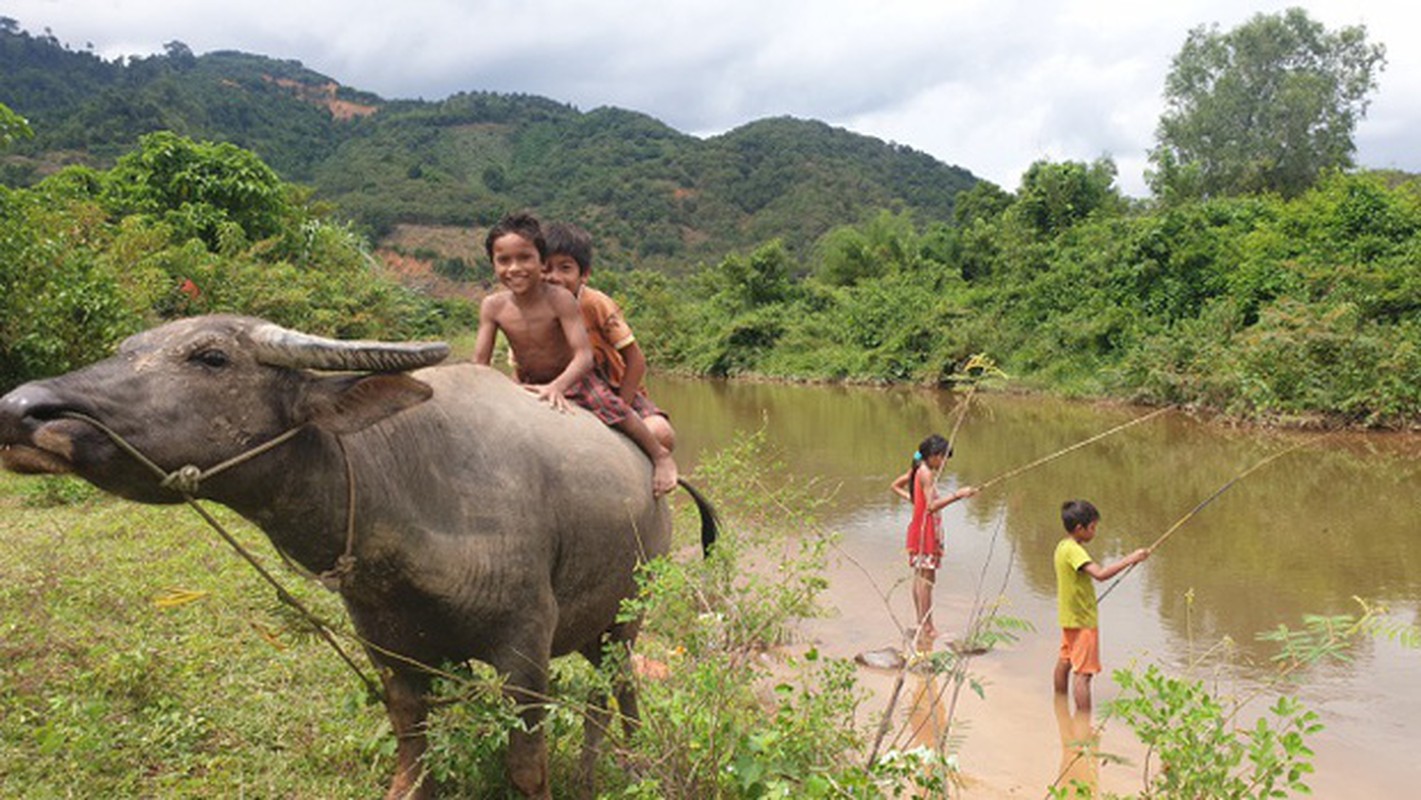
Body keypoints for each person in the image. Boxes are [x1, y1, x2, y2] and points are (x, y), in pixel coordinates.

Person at [472, 211, 678, 495]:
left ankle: (659, 455)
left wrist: (558, 386)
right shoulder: (492, 307)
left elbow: (584, 356)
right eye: (504, 260)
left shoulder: (563, 300)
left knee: (611, 408)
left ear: (538, 261)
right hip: (531, 382)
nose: (514, 268)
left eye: (524, 258)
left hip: (577, 379)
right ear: (492, 263)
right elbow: (480, 364)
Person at [541, 221, 675, 452]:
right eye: (546, 268)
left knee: (661, 433)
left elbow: (636, 361)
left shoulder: (595, 303)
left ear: (584, 274)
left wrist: (621, 408)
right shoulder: (530, 309)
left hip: (614, 387)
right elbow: (521, 364)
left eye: (565, 268)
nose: (554, 277)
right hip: (560, 388)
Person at [1053, 499, 1149, 712]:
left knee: (1065, 661)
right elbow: (1101, 574)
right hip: (1083, 620)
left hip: (1068, 617)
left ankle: (1059, 707)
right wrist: (1132, 558)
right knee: (1083, 675)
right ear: (1080, 528)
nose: (1094, 532)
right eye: (1093, 527)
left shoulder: (1062, 547)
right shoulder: (1075, 550)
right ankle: (1083, 725)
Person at [891, 434, 977, 651]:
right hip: (925, 531)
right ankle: (927, 626)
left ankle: (923, 622)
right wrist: (958, 494)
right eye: (944, 458)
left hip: (920, 528)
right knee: (926, 580)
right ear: (934, 456)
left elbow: (896, 486)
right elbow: (931, 506)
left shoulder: (917, 470)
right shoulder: (926, 474)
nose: (945, 463)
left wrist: (914, 500)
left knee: (921, 577)